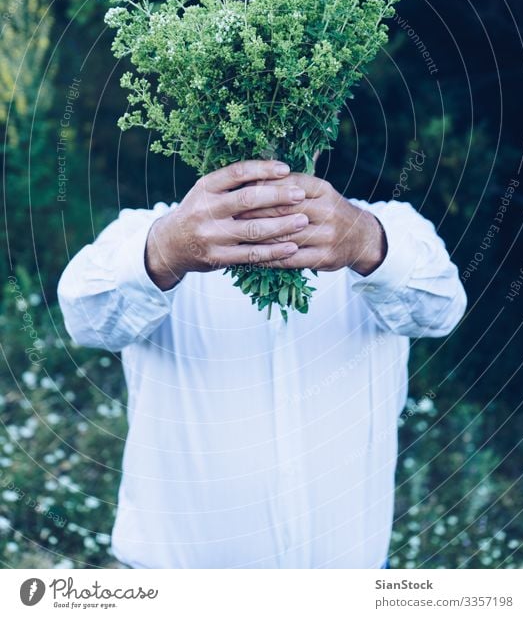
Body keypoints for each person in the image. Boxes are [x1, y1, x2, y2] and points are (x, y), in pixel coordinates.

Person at [57, 158, 467, 569]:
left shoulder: (386, 225)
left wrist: (368, 243)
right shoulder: (151, 230)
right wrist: (165, 250)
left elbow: (441, 309)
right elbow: (85, 319)